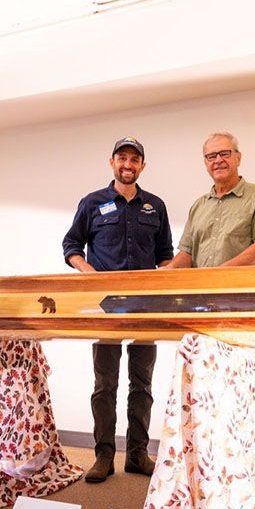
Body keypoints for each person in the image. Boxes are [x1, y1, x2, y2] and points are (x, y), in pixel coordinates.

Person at [62, 137, 174, 483]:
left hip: (144, 306)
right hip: (105, 306)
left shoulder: (155, 206)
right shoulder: (92, 203)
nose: (128, 164)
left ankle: (138, 454)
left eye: (135, 159)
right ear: (112, 162)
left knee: (142, 384)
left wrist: (166, 280)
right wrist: (91, 275)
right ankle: (104, 456)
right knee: (105, 384)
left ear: (142, 166)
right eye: (122, 158)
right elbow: (70, 246)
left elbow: (166, 255)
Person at [165, 132, 255, 269]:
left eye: (225, 153)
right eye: (211, 156)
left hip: (246, 288)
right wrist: (168, 269)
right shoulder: (198, 206)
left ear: (238, 158)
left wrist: (220, 272)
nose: (218, 160)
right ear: (206, 163)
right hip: (203, 288)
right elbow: (188, 253)